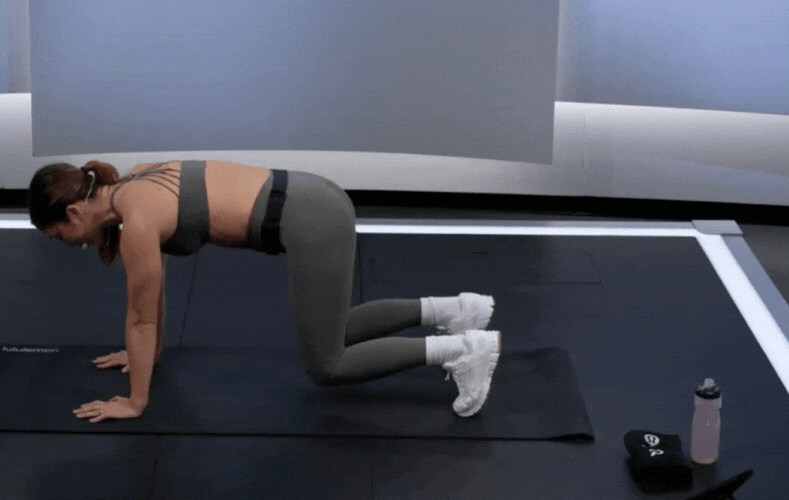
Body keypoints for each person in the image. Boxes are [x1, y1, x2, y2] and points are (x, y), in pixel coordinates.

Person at [28, 160, 501, 423]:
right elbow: (153, 293)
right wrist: (145, 358)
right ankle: (458, 310)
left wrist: (135, 402)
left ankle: (462, 351)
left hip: (311, 219)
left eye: (58, 237)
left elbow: (142, 318)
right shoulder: (134, 180)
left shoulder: (137, 220)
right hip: (312, 197)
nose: (68, 246)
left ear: (72, 215)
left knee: (326, 364)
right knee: (330, 330)